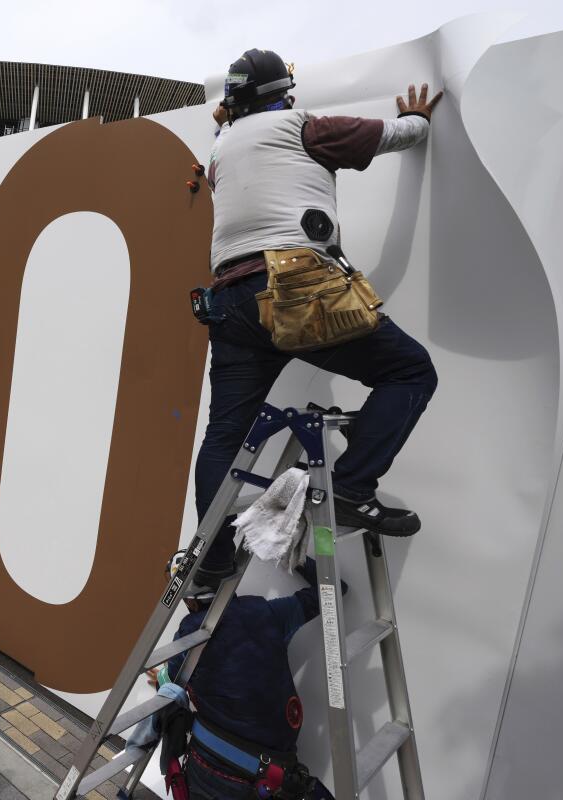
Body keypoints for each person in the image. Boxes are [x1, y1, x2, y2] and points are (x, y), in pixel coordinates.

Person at [195, 49, 442, 582]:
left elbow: (230, 153)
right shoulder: (299, 125)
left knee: (222, 438)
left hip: (229, 302)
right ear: (281, 93)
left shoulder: (220, 152)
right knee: (410, 371)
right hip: (294, 286)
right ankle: (352, 487)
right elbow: (390, 136)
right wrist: (417, 120)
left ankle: (209, 567)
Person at [158, 559, 344, 799]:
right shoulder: (267, 612)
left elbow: (171, 682)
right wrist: (291, 556)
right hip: (273, 777)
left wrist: (162, 674)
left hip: (213, 769)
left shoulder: (190, 634)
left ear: (189, 600)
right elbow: (332, 589)